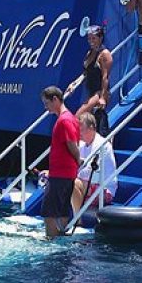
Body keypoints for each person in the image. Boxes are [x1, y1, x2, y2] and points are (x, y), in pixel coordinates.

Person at [40, 86, 81, 238]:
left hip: (61, 173)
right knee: (62, 208)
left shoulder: (64, 120)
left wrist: (78, 160)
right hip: (65, 172)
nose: (46, 107)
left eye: (47, 103)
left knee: (48, 212)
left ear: (55, 99)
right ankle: (60, 238)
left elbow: (71, 143)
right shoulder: (69, 118)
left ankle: (51, 239)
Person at [66, 24, 113, 135]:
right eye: (89, 38)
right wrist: (74, 84)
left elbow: (105, 76)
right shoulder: (90, 53)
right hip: (91, 91)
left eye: (93, 38)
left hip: (99, 92)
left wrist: (102, 97)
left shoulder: (105, 54)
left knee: (77, 116)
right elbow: (85, 73)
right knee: (93, 122)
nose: (91, 41)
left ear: (100, 38)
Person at [71, 112, 118, 215]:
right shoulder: (82, 145)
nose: (78, 133)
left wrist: (76, 171)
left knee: (72, 183)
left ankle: (77, 220)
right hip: (87, 184)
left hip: (104, 189)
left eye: (81, 130)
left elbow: (92, 174)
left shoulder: (102, 145)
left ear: (91, 127)